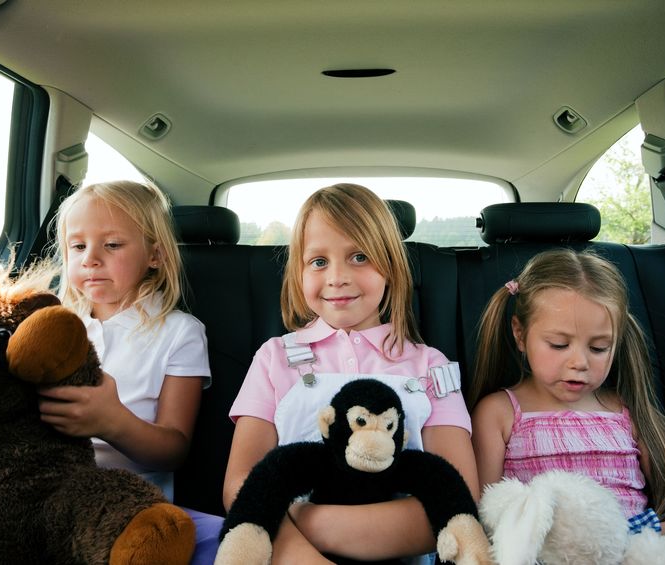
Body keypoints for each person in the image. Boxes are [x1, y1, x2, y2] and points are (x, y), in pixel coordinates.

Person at [223, 183, 479, 563]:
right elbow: (240, 484)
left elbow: (459, 497)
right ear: (299, 272)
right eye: (319, 262)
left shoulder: (430, 365)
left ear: (390, 265)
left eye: (359, 257)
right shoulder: (273, 358)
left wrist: (309, 520)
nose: (337, 277)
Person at [467, 248, 665, 548]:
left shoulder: (628, 412)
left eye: (599, 348)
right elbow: (483, 519)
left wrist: (637, 545)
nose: (580, 362)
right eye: (559, 345)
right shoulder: (500, 414)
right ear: (520, 335)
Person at [40, 180, 221, 561]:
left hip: (131, 503)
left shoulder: (179, 332)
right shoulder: (55, 323)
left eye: (112, 245)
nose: (90, 258)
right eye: (78, 246)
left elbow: (173, 451)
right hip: (46, 489)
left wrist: (112, 422)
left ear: (154, 255)